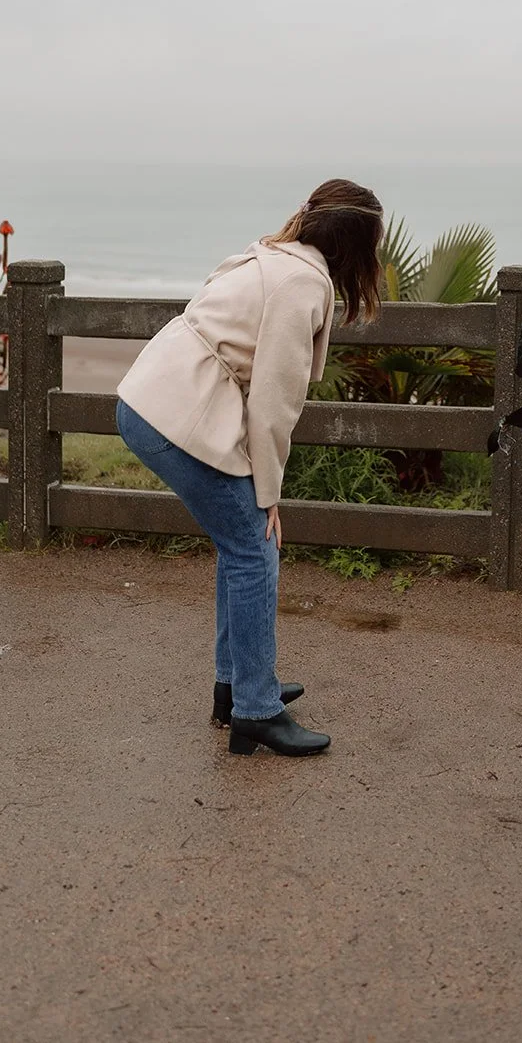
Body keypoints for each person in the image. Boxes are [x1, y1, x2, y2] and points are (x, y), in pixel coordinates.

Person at [115, 179, 383, 758]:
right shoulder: (302, 285)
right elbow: (272, 407)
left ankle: (235, 685)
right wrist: (269, 493)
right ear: (358, 247)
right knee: (254, 548)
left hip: (152, 398)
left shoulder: (277, 255)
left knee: (239, 545)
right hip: (175, 412)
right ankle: (256, 711)